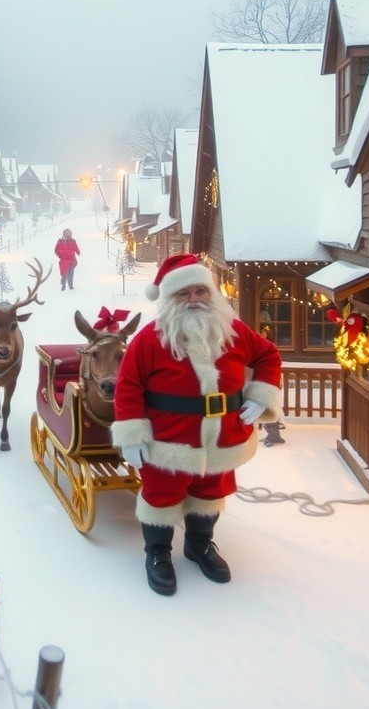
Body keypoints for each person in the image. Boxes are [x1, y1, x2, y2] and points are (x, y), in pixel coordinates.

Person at [111, 254, 282, 595]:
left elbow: (267, 355)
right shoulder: (149, 339)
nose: (193, 299)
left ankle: (199, 544)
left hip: (221, 439)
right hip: (168, 442)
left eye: (200, 291)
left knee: (211, 492)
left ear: (211, 293)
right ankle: (158, 552)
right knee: (161, 497)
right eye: (183, 293)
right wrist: (131, 433)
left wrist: (260, 396)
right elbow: (129, 384)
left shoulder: (232, 331)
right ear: (171, 299)